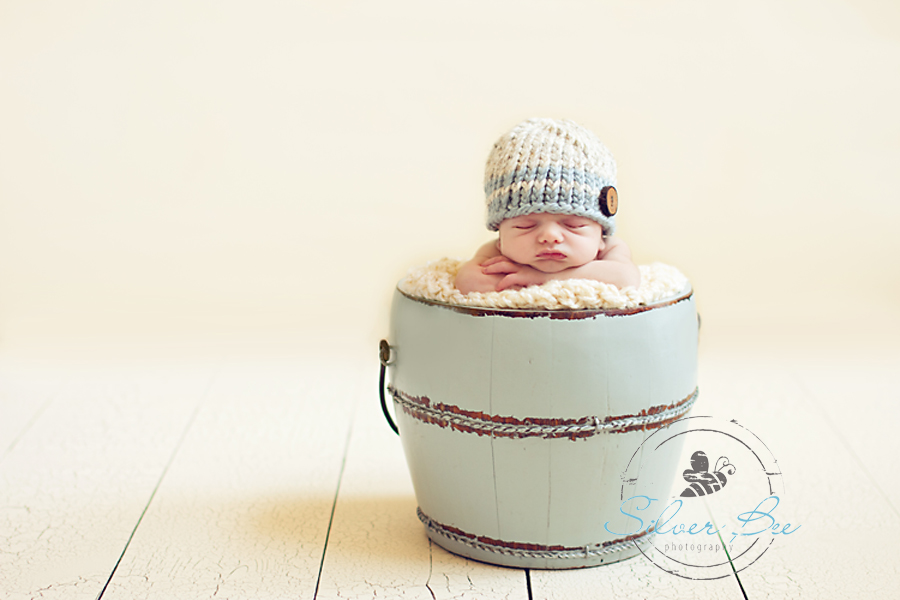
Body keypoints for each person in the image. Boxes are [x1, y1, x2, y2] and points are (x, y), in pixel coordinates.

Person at [455, 118, 641, 294]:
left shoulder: (610, 249)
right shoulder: (495, 252)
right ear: (500, 233)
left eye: (573, 225)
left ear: (601, 233)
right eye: (525, 225)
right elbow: (468, 281)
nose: (550, 236)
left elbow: (626, 279)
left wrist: (541, 278)